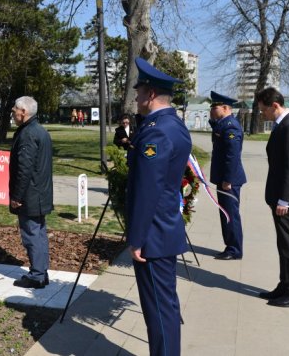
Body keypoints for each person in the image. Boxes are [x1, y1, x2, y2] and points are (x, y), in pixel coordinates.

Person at [126, 58, 192, 355]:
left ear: (150, 94)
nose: (135, 97)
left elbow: (147, 190)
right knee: (165, 307)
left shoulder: (156, 131)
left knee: (159, 313)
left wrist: (137, 239)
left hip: (153, 235)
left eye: (138, 91)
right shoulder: (172, 124)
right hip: (164, 228)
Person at [256, 87, 289, 308]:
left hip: (287, 198)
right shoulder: (282, 126)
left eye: (263, 110)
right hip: (279, 196)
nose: (262, 114)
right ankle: (285, 285)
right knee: (283, 244)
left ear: (274, 106)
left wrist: (285, 200)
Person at [9, 96, 53, 289]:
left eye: (14, 110)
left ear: (23, 112)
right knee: (39, 233)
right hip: (40, 193)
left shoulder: (28, 134)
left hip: (30, 194)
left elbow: (24, 169)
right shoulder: (39, 131)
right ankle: (41, 272)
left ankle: (37, 276)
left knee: (32, 235)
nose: (12, 112)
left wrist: (17, 197)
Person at [209, 91, 246, 260]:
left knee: (230, 214)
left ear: (225, 108)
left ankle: (234, 249)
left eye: (214, 107)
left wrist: (228, 180)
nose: (211, 110)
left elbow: (232, 156)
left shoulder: (230, 126)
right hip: (224, 178)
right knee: (226, 213)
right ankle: (230, 246)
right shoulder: (223, 123)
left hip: (228, 180)